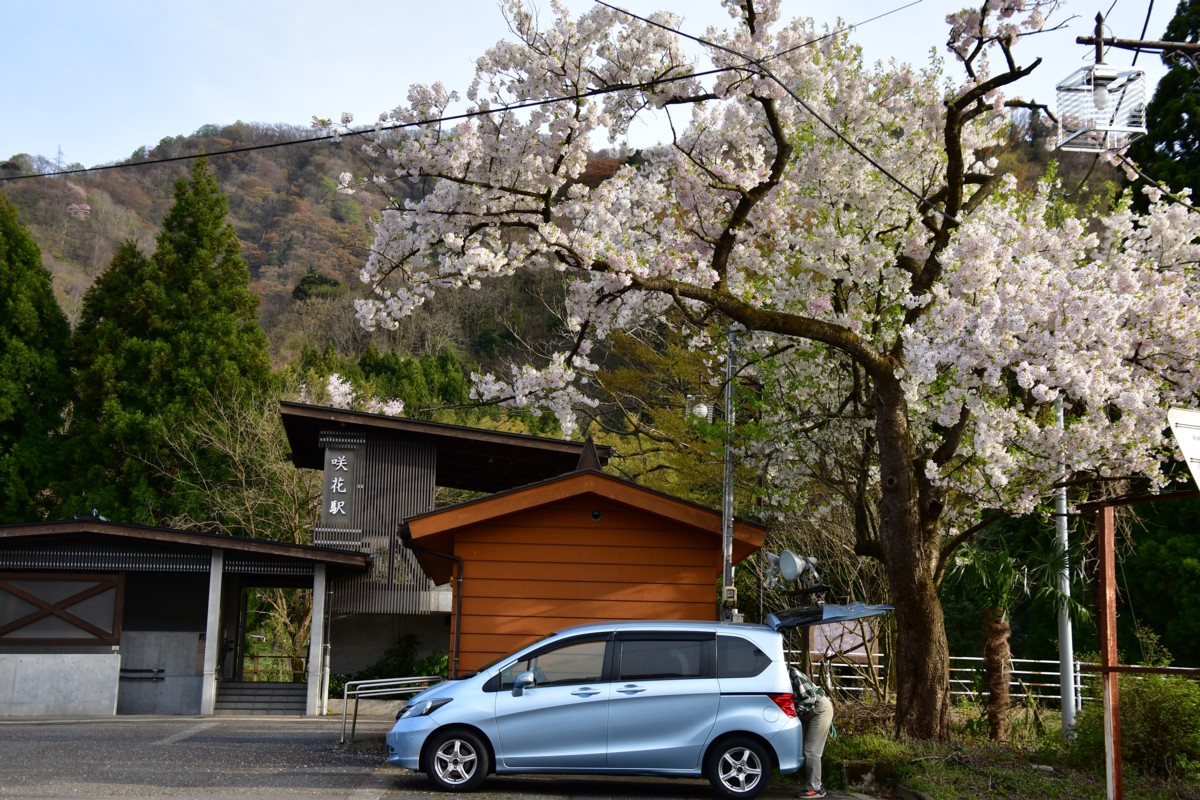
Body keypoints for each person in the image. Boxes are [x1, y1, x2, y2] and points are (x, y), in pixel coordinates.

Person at [791, 667, 833, 799]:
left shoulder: (792, 673)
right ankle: (814, 784)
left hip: (819, 709)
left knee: (811, 750)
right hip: (807, 713)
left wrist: (793, 714)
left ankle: (815, 788)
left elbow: (810, 697)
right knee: (802, 747)